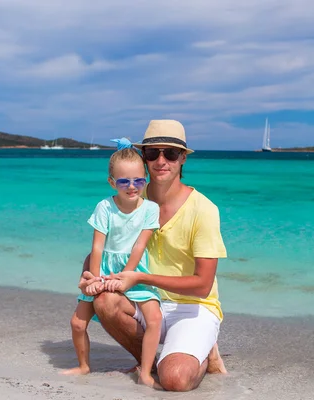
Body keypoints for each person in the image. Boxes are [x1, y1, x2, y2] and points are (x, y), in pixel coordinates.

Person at [80, 120, 228, 392]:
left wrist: (141, 277)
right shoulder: (131, 196)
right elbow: (102, 249)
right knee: (105, 302)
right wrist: (90, 277)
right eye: (152, 153)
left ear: (183, 158)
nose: (161, 160)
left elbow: (203, 285)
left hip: (192, 307)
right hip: (147, 300)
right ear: (144, 158)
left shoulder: (204, 210)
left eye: (170, 153)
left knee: (175, 380)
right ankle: (146, 362)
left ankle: (205, 354)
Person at [62, 138, 163, 389]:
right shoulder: (105, 207)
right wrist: (95, 279)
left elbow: (140, 246)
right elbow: (97, 246)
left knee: (155, 319)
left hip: (134, 270)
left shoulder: (150, 208)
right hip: (103, 269)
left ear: (145, 180)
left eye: (138, 180)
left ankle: (146, 372)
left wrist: (126, 275)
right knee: (77, 323)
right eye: (124, 181)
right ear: (112, 182)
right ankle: (84, 366)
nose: (132, 187)